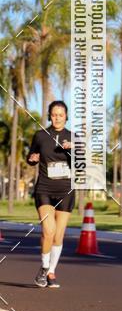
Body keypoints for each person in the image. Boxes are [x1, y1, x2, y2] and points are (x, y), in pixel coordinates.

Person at [27, 100, 74, 289]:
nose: (57, 118)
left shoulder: (73, 137)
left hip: (66, 190)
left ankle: (52, 273)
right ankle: (44, 268)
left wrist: (73, 149)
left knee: (59, 236)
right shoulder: (40, 136)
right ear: (49, 115)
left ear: (66, 116)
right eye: (54, 114)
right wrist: (32, 159)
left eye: (61, 114)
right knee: (48, 231)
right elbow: (31, 157)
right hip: (44, 188)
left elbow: (82, 165)